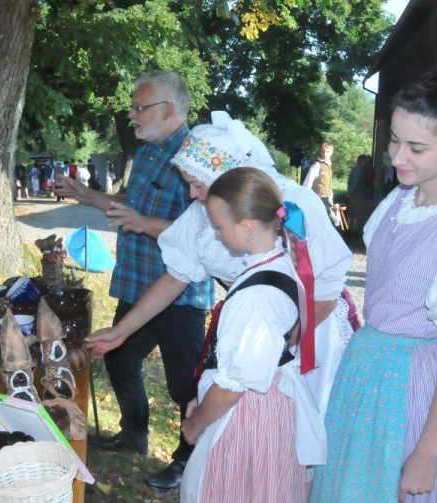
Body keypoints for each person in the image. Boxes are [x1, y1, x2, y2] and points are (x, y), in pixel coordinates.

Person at [84, 110, 354, 491]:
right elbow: (176, 274)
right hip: (255, 333)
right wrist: (122, 330)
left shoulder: (292, 204)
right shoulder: (206, 215)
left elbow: (324, 289)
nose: (192, 194)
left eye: (196, 184)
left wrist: (281, 347)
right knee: (250, 439)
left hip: (307, 330)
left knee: (301, 437)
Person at [311, 69, 437, 503]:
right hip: (364, 377)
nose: (398, 157)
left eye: (417, 147)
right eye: (395, 141)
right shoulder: (402, 197)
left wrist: (427, 451)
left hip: (415, 394)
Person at [54, 70, 214, 490]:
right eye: (133, 107)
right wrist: (83, 194)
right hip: (138, 283)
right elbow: (132, 205)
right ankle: (135, 433)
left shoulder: (199, 156)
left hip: (180, 293)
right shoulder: (146, 152)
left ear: (169, 110)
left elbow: (204, 232)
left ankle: (186, 459)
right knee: (120, 358)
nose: (132, 115)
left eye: (140, 107)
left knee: (186, 384)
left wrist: (145, 224)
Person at [179, 167, 324, 503]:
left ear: (246, 228)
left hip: (248, 419)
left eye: (219, 226)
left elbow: (232, 388)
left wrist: (196, 423)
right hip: (267, 405)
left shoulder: (255, 298)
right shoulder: (277, 263)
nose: (216, 234)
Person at [302, 142, 335, 210]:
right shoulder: (317, 166)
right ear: (320, 152)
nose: (325, 154)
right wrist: (305, 199)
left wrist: (330, 199)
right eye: (323, 152)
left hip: (326, 199)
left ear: (331, 153)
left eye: (327, 152)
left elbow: (329, 185)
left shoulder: (329, 166)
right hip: (317, 198)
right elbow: (308, 183)